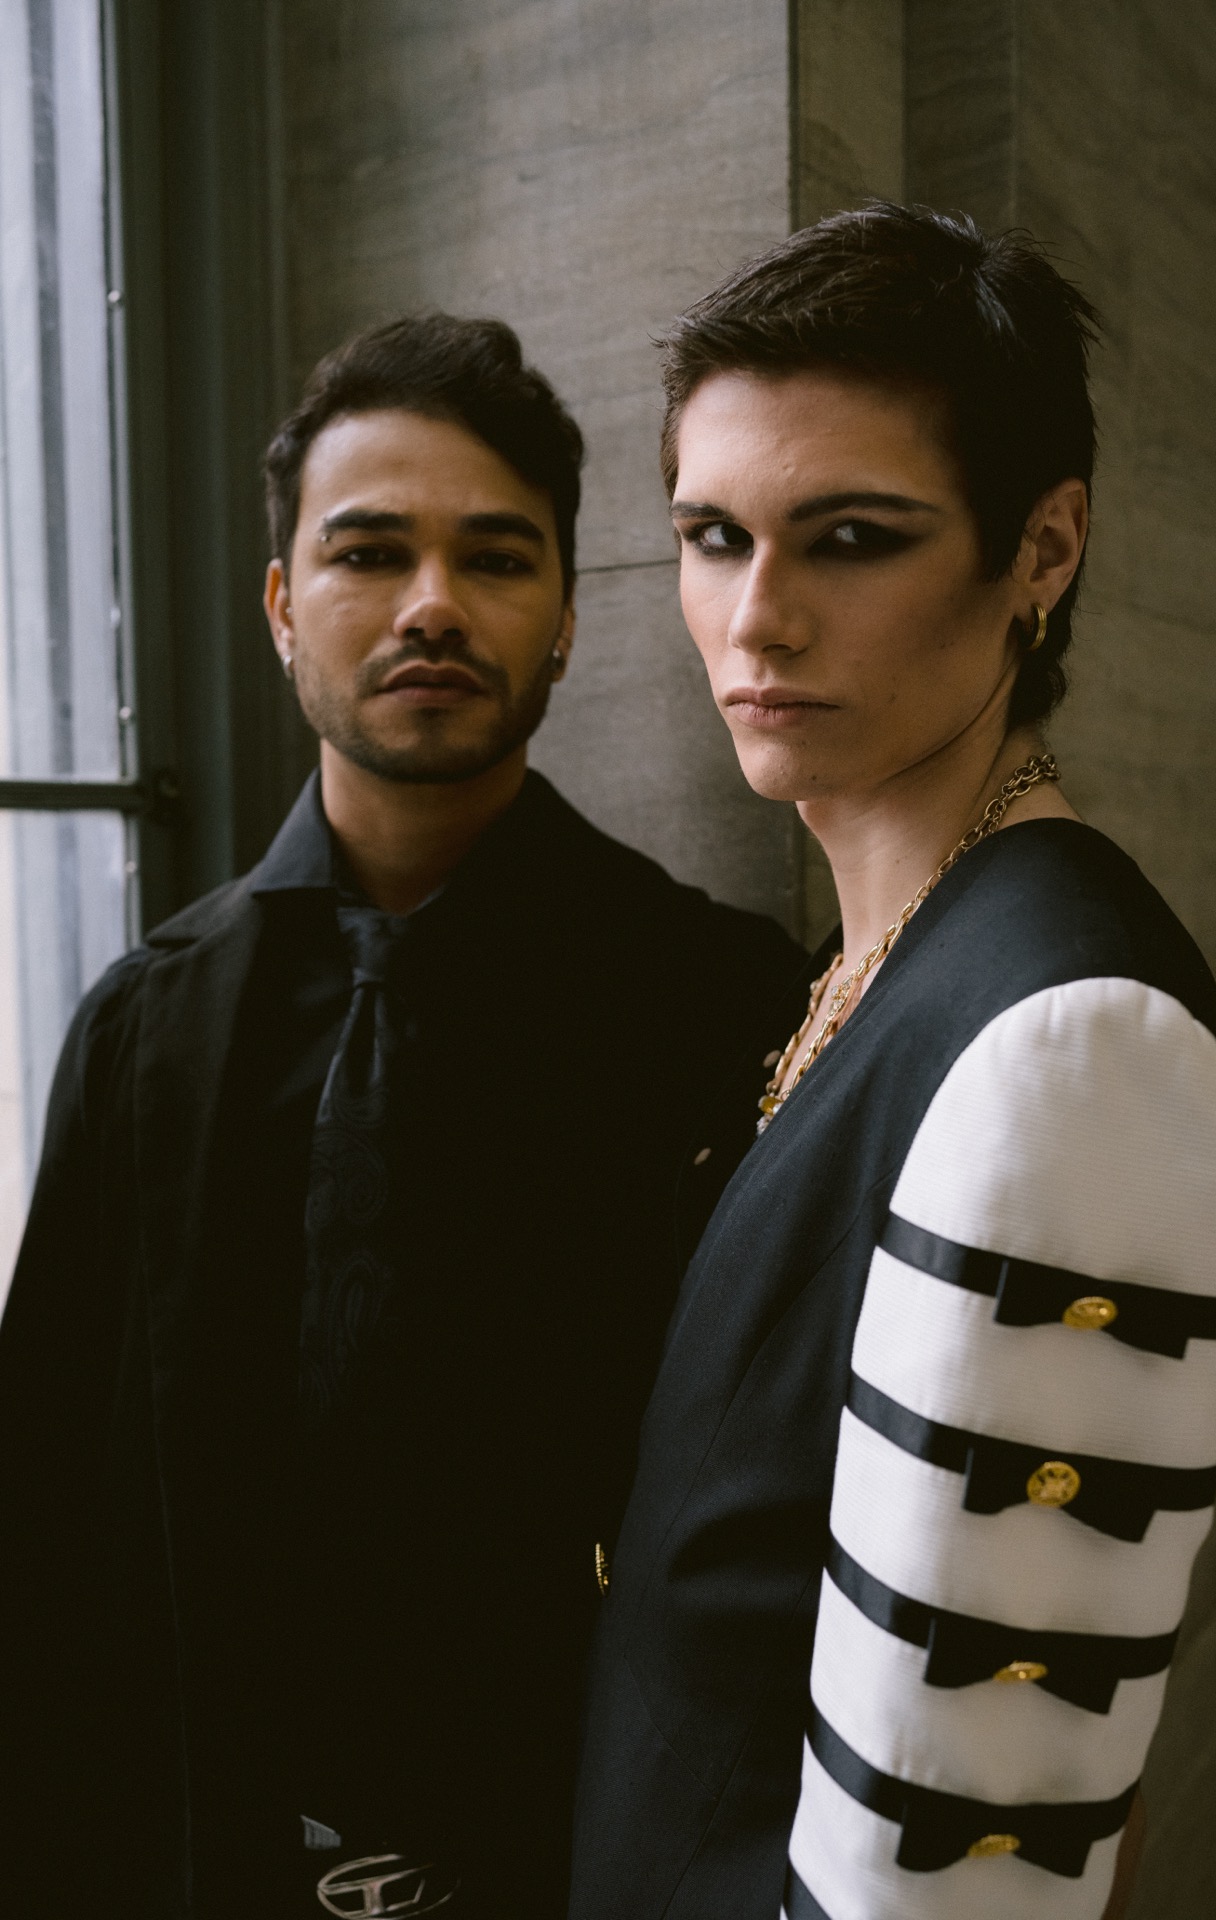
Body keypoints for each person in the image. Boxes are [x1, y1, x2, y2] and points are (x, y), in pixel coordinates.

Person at [0, 312, 804, 1918]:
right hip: (192, 1846)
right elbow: (48, 1523)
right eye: (370, 552)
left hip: (575, 1849)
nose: (433, 604)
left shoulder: (722, 1011)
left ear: (569, 616)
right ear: (285, 603)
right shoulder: (145, 1026)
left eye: (496, 559)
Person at [569, 204, 1216, 1920]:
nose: (758, 619)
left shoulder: (1073, 1043)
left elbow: (955, 1875)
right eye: (713, 535)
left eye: (852, 538)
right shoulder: (875, 963)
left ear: (1044, 548)